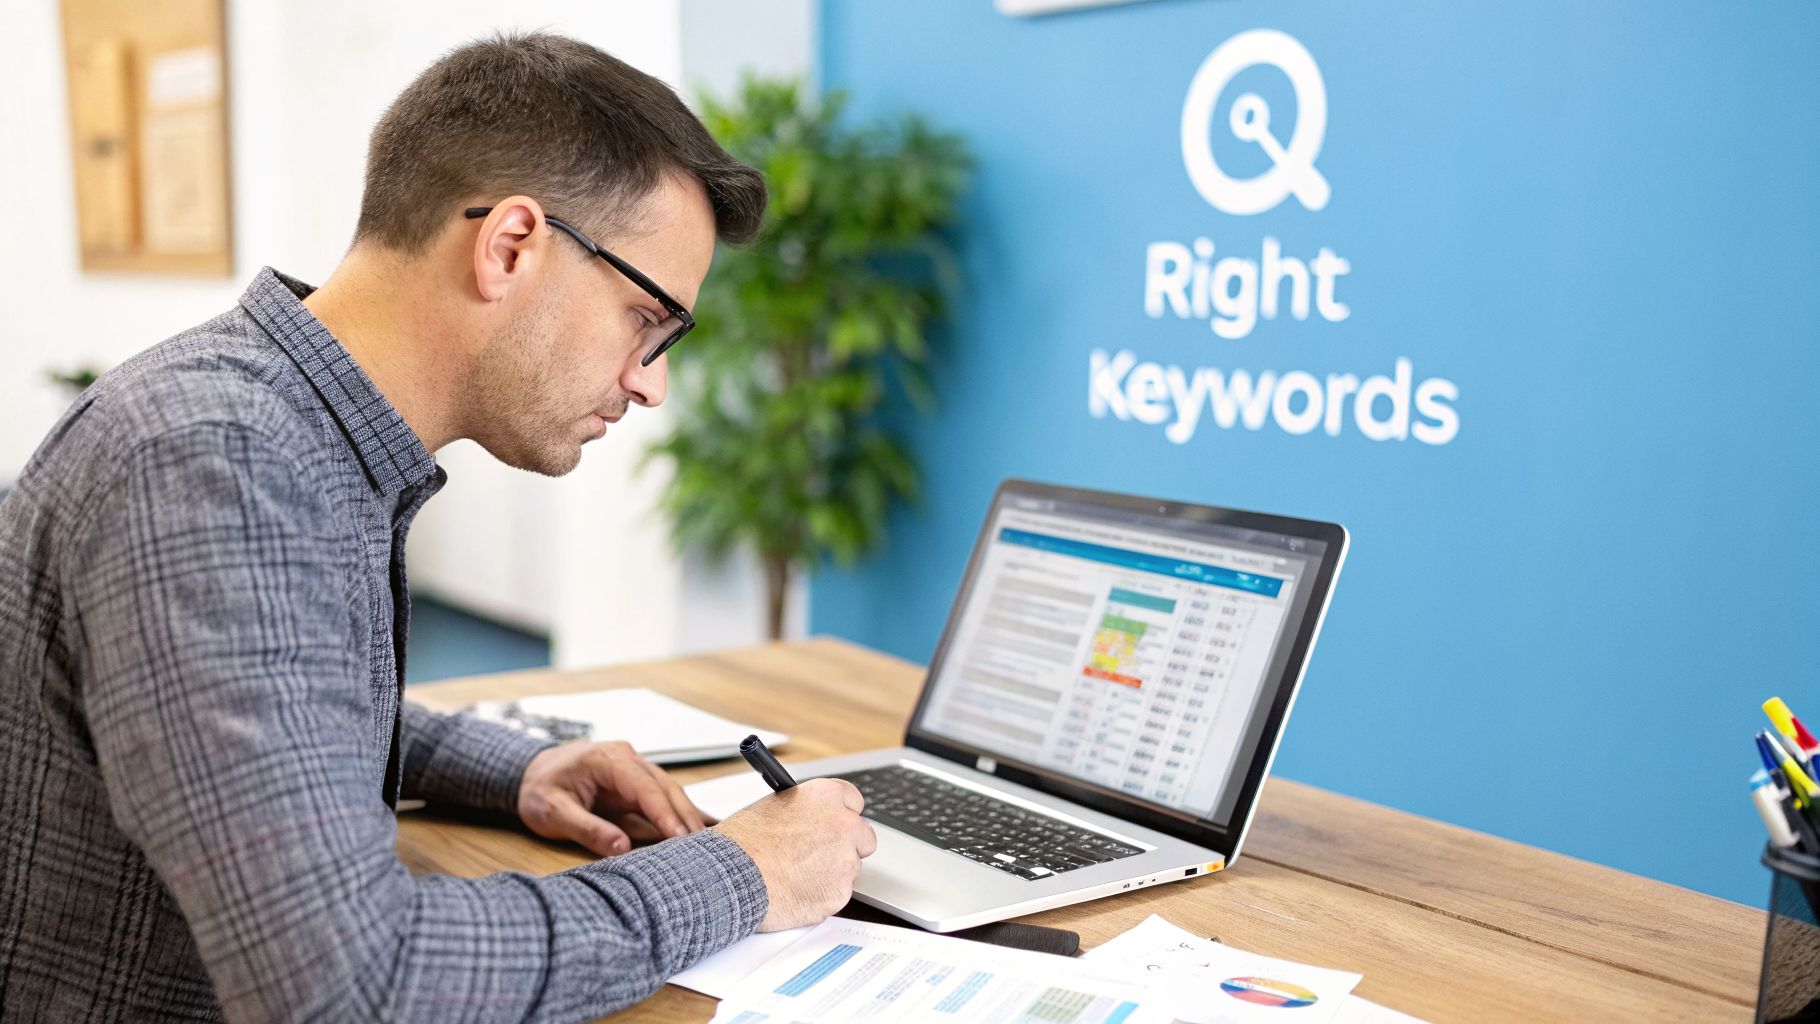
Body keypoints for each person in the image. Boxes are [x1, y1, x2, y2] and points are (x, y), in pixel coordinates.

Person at [0, 31, 876, 1023]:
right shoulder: (215, 464)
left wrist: (513, 770)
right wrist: (740, 873)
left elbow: (269, 695)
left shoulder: (268, 423)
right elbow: (351, 986)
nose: (651, 382)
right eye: (648, 318)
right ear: (509, 245)